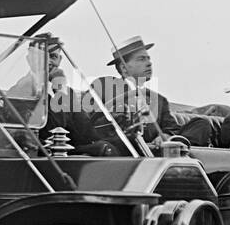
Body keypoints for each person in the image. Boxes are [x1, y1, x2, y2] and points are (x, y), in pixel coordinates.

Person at [76, 35, 213, 154]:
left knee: (202, 123)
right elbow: (86, 122)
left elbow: (171, 128)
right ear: (124, 68)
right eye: (142, 59)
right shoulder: (103, 86)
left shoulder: (159, 100)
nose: (149, 63)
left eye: (148, 59)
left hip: (154, 150)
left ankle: (176, 150)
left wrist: (165, 135)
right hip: (121, 149)